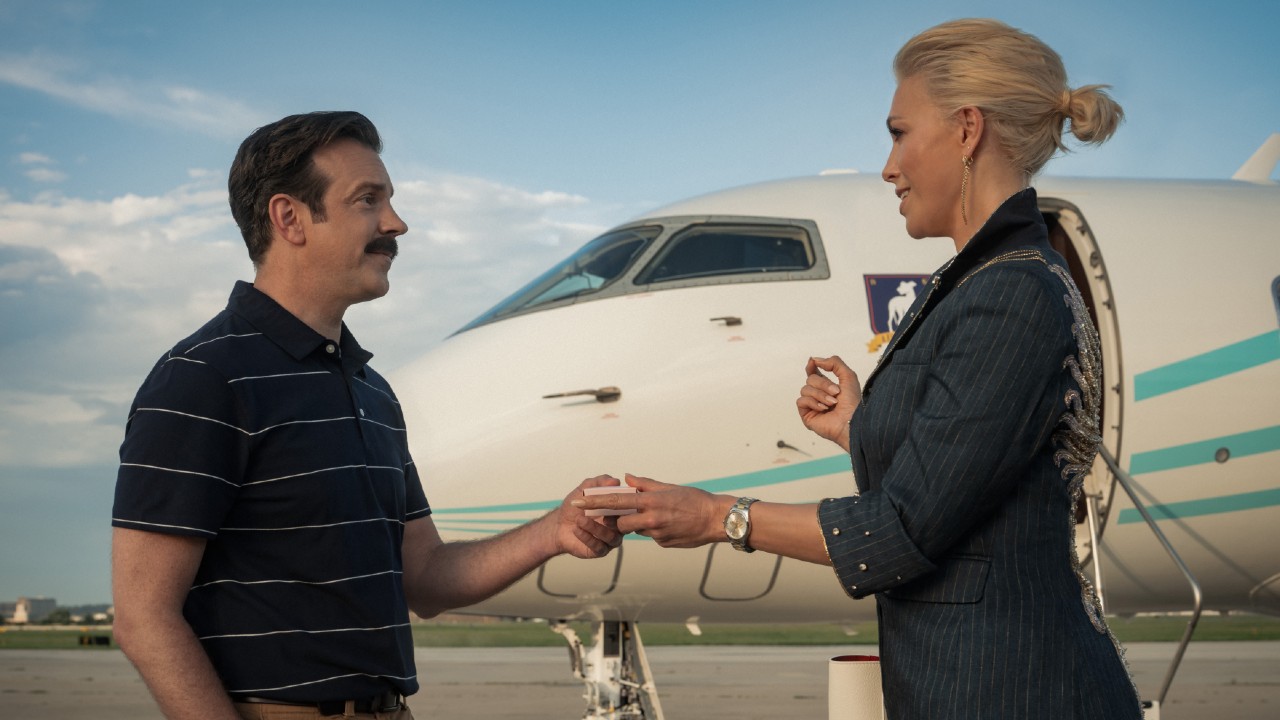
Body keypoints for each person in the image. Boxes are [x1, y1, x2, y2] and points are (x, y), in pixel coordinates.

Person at [575, 19, 1141, 719]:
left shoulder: (1011, 295)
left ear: (968, 129)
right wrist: (857, 427)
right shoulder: (977, 282)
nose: (888, 166)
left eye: (900, 133)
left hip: (1016, 689)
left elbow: (902, 532)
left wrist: (716, 516)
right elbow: (964, 470)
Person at [111, 111, 622, 720]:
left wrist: (554, 532)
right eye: (367, 200)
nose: (395, 223)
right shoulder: (203, 378)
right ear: (289, 218)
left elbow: (427, 578)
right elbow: (144, 618)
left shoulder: (371, 391)